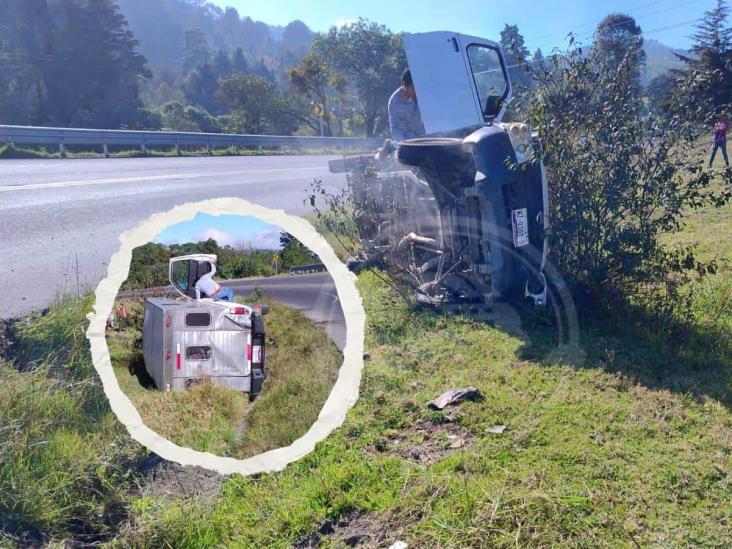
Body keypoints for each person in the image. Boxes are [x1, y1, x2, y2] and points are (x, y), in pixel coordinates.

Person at [376, 68, 425, 159]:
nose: (415, 91)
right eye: (412, 88)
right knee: (405, 146)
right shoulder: (394, 102)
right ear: (403, 84)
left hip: (419, 132)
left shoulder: (418, 96)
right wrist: (404, 144)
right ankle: (389, 146)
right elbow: (395, 128)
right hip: (406, 135)